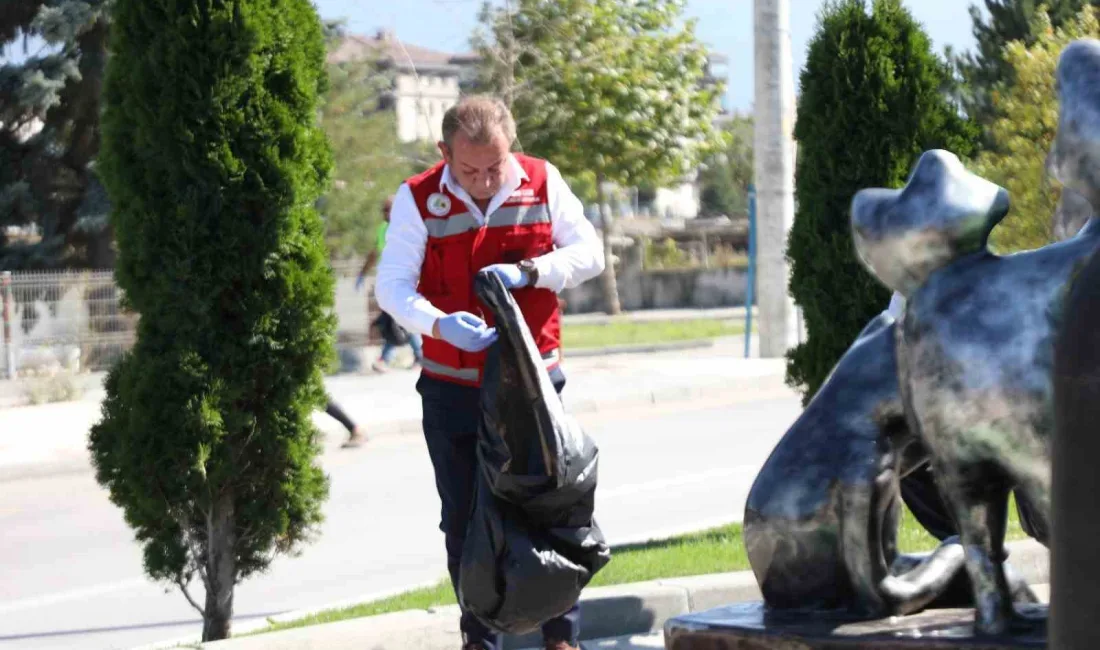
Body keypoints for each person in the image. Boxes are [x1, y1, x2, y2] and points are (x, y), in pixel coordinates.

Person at [375, 95, 605, 650]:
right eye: (469, 169)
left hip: (533, 385)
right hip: (452, 387)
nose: (482, 181)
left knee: (550, 507)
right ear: (444, 152)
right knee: (464, 518)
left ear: (511, 145)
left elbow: (590, 255)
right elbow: (393, 288)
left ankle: (562, 639)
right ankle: (478, 639)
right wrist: (438, 324)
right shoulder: (417, 198)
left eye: (494, 167)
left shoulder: (543, 181)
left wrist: (531, 272)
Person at [357, 196, 424, 372]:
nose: (385, 214)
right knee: (395, 319)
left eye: (388, 209)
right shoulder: (383, 229)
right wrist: (362, 274)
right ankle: (408, 357)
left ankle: (389, 358)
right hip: (388, 282)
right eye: (383, 210)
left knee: (398, 318)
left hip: (405, 281)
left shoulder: (406, 229)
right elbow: (374, 253)